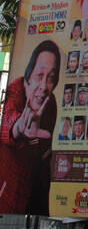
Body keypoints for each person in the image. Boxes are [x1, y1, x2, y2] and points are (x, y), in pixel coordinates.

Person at [0, 39, 60, 214]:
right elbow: (9, 124)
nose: (44, 86)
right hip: (10, 199)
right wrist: (19, 129)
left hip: (37, 196)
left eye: (51, 78)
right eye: (40, 76)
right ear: (28, 75)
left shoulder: (50, 103)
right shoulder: (15, 91)